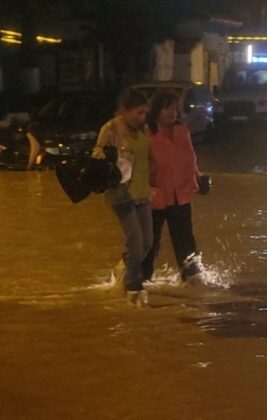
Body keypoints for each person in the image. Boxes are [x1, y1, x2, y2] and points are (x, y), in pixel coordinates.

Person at [93, 88, 152, 307]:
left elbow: (149, 157)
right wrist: (110, 161)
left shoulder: (144, 129)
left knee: (147, 242)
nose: (143, 118)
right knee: (135, 241)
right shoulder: (110, 129)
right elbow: (97, 158)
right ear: (124, 111)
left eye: (145, 113)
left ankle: (122, 269)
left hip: (142, 191)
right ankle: (134, 288)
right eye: (139, 113)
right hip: (121, 193)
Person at [143, 89, 204, 284]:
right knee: (150, 242)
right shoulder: (147, 134)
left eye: (175, 109)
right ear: (156, 111)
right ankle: (142, 279)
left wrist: (199, 178)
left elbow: (190, 159)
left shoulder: (182, 131)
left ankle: (193, 278)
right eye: (166, 109)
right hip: (156, 196)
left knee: (186, 240)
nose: (172, 113)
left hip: (182, 195)